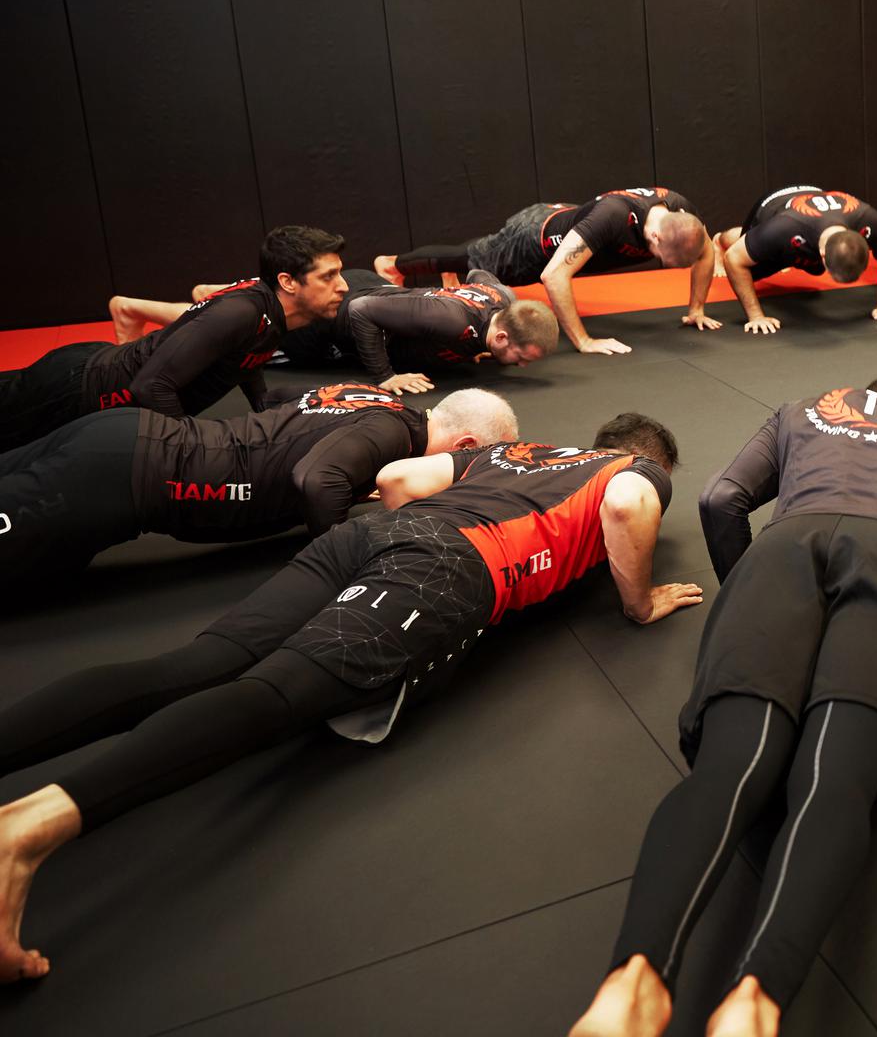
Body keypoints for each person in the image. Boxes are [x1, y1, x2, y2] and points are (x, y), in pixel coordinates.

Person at [0, 412, 700, 984]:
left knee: (195, 663)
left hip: (370, 534)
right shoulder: (638, 473)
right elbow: (628, 506)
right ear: (650, 457)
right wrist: (637, 603)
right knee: (272, 696)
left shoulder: (517, 448)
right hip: (449, 569)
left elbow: (398, 478)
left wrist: (412, 540)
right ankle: (30, 829)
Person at [570, 368, 877, 1037]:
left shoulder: (800, 409)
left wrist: (752, 605)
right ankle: (755, 1000)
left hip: (779, 555)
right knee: (833, 780)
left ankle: (632, 983)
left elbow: (720, 499)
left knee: (730, 766)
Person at [0, 385, 516, 591]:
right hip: (121, 475)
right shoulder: (392, 431)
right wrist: (349, 557)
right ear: (465, 442)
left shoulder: (379, 403)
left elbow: (287, 396)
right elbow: (316, 479)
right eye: (473, 461)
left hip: (121, 438)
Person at [0, 227, 347, 454]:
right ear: (288, 282)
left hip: (92, 372)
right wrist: (191, 451)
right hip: (76, 390)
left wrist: (265, 411)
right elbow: (151, 386)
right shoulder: (241, 312)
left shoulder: (270, 313)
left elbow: (245, 356)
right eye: (328, 276)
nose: (343, 286)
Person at [376, 189, 717, 355]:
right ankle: (392, 264)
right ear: (654, 236)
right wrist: (584, 341)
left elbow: (707, 251)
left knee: (476, 253)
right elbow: (553, 276)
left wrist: (696, 309)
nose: (660, 262)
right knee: (472, 258)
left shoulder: (681, 213)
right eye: (660, 257)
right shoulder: (614, 216)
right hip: (534, 239)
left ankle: (446, 270)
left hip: (568, 222)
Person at [279, 270, 558, 395]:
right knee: (261, 339)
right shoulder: (452, 321)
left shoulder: (503, 298)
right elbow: (361, 310)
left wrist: (478, 344)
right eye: (522, 357)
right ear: (501, 337)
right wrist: (385, 377)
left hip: (377, 289)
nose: (521, 366)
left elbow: (477, 274)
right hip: (332, 317)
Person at [713, 186, 877, 335]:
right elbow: (733, 258)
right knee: (749, 266)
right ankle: (719, 239)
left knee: (802, 263)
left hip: (815, 200)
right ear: (822, 256)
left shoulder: (869, 220)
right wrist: (756, 316)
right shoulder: (782, 228)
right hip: (774, 206)